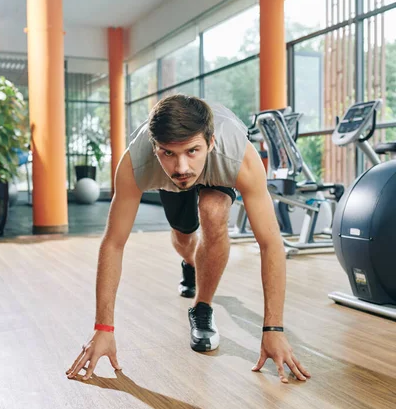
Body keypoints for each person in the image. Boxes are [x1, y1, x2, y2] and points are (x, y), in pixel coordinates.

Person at [66, 95, 310, 384]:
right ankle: (190, 262)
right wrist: (103, 328)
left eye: (192, 150)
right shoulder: (137, 161)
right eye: (168, 153)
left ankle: (202, 307)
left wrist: (274, 329)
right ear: (155, 148)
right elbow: (113, 243)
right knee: (184, 236)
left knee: (214, 211)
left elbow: (270, 242)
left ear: (211, 142)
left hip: (218, 167)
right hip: (170, 183)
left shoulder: (238, 156)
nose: (182, 167)